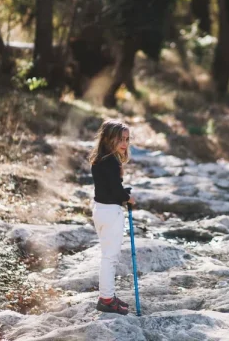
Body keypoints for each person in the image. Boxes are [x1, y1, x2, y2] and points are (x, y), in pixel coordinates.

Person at [89, 119, 135, 314]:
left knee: (107, 256)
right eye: (120, 139)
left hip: (100, 209)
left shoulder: (100, 160)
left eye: (127, 139)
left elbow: (107, 187)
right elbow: (115, 191)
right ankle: (106, 299)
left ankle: (108, 295)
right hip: (111, 212)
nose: (124, 143)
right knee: (110, 258)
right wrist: (128, 198)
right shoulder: (112, 162)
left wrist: (122, 190)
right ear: (109, 139)